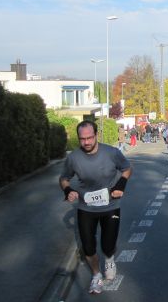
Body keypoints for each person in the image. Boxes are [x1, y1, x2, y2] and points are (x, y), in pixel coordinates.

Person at [59, 120, 132, 294]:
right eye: (82, 139)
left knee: (107, 245)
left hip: (111, 206)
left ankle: (109, 259)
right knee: (88, 247)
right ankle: (96, 275)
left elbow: (127, 168)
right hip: (86, 208)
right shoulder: (74, 157)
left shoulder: (112, 152)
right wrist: (68, 190)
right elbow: (64, 179)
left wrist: (121, 185)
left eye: (90, 138)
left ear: (96, 135)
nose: (86, 142)